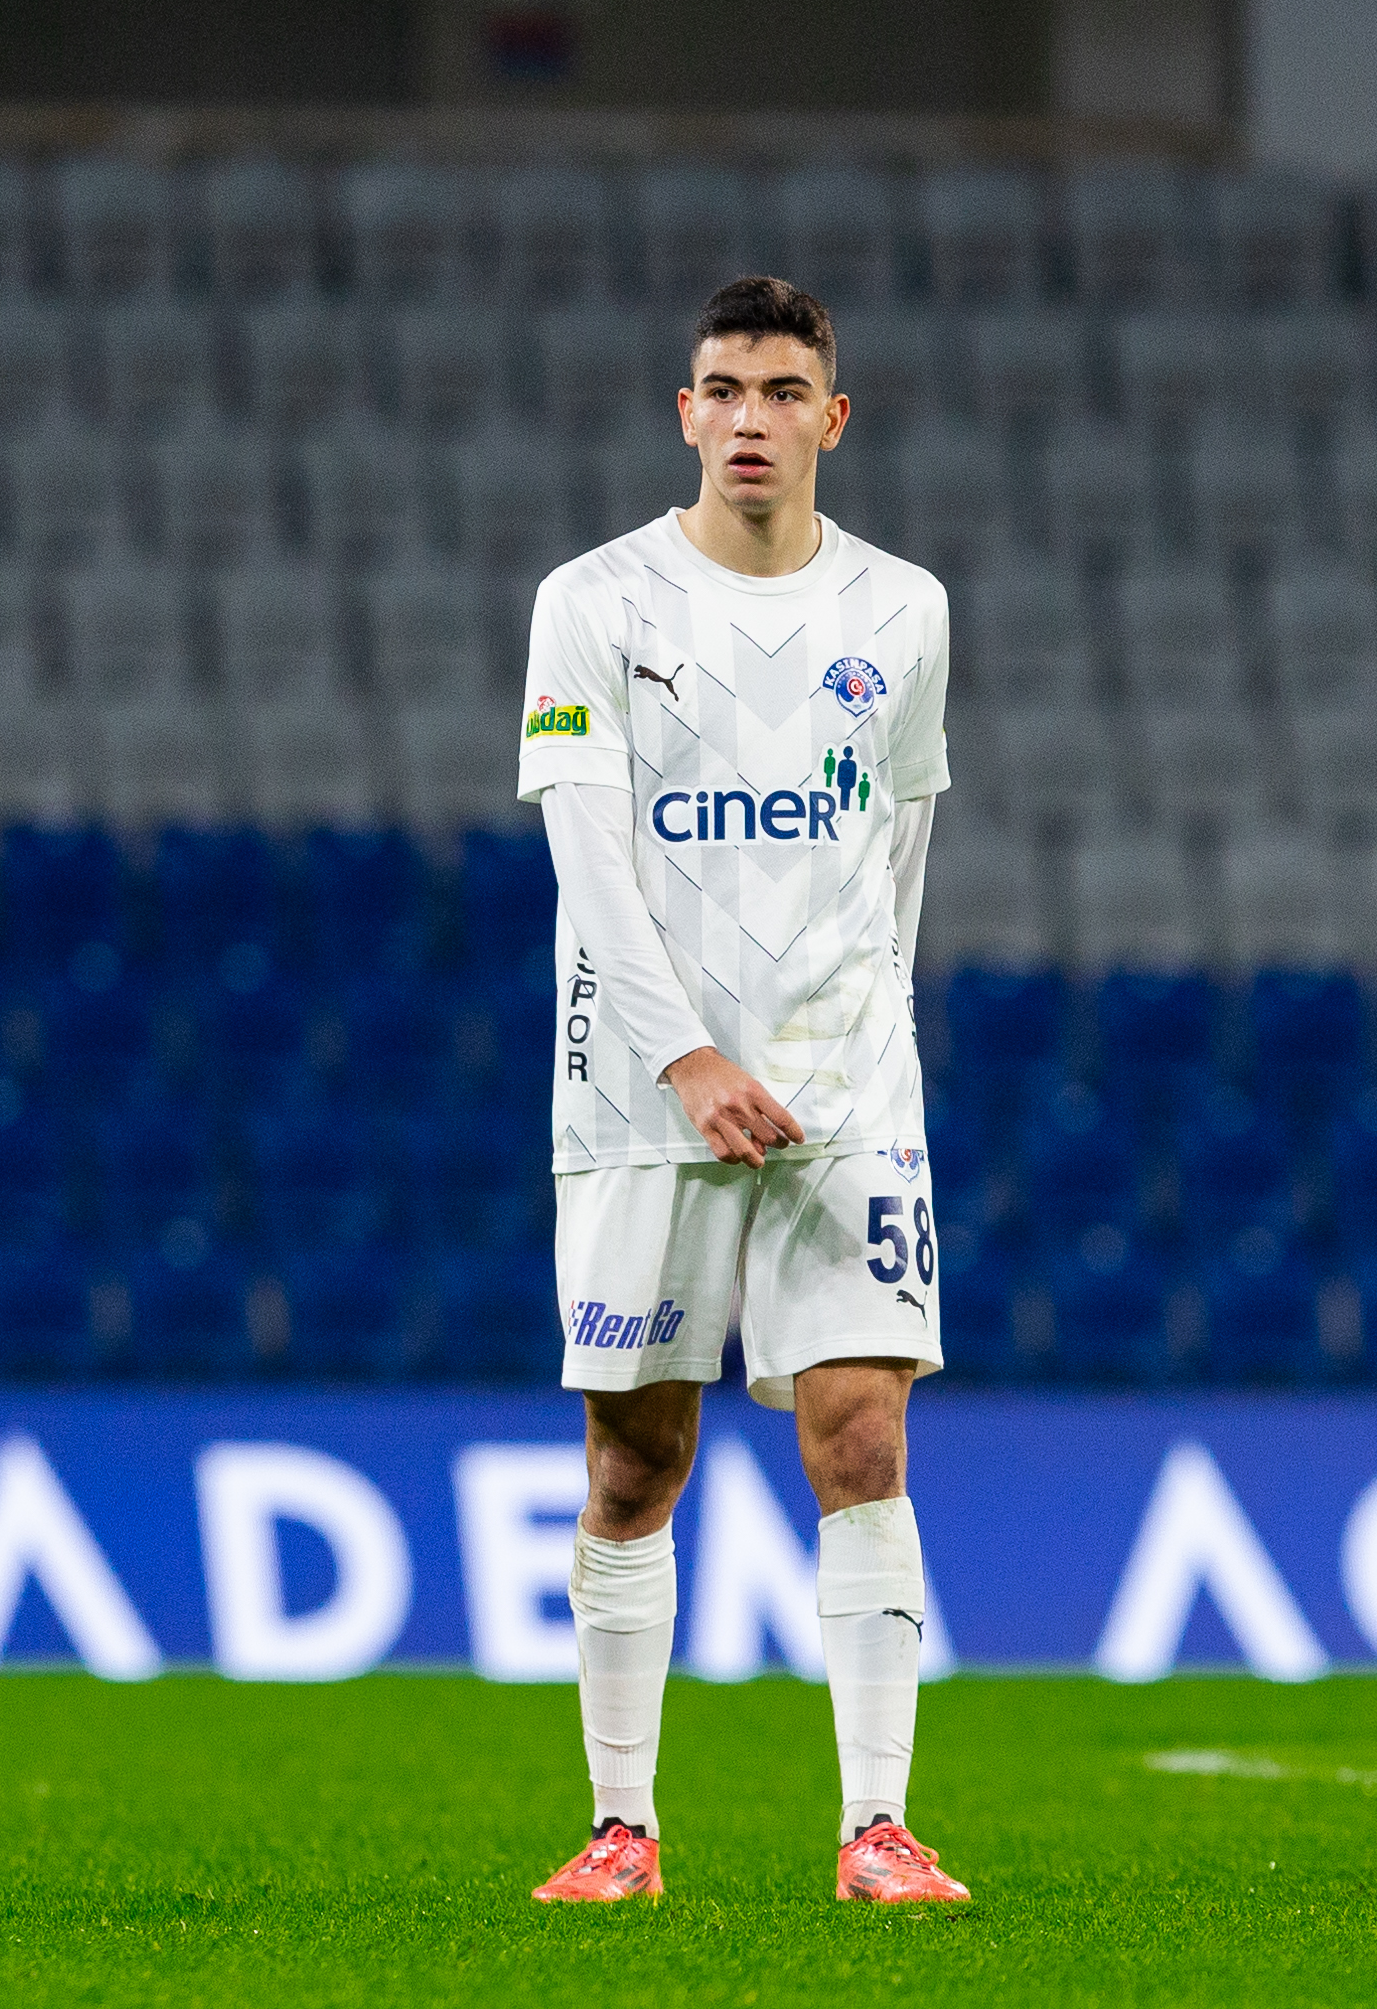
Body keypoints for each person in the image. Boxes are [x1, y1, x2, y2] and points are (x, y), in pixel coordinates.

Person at [518, 275, 965, 1906]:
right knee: (636, 1459)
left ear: (832, 417)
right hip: (643, 1091)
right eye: (724, 389)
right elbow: (587, 861)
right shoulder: (594, 601)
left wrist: (868, 1034)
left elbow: (902, 839)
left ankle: (878, 1828)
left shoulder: (904, 609)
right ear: (685, 414)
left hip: (846, 1091)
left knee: (864, 1434)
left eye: (783, 391)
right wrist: (686, 1055)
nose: (751, 418)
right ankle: (622, 1826)